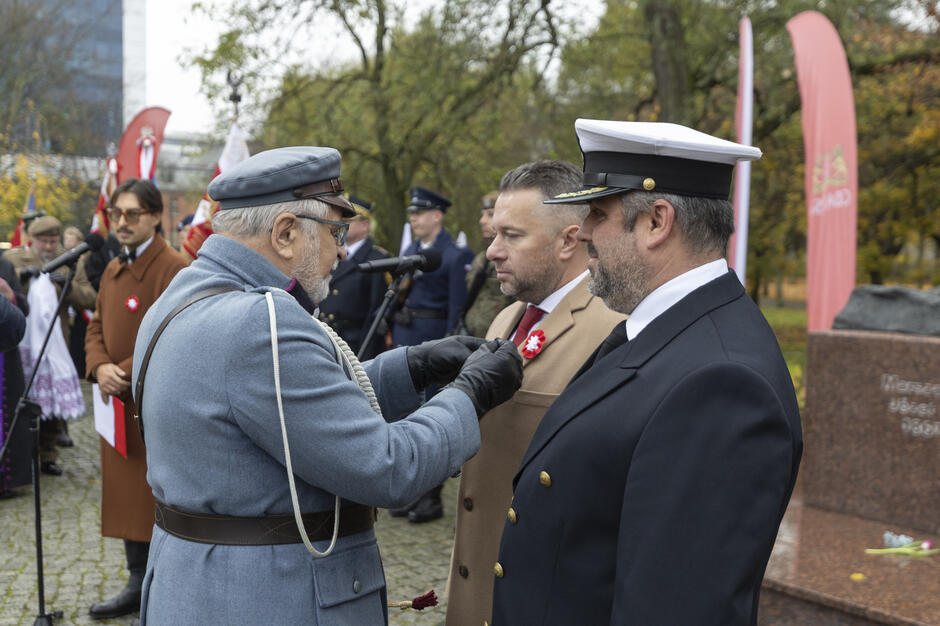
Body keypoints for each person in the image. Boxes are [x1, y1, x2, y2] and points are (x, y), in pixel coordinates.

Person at [131, 146, 523, 625]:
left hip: (200, 586)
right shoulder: (261, 323)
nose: (342, 249)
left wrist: (413, 368)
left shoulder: (184, 296)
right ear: (286, 232)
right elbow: (387, 467)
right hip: (271, 599)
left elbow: (287, 409)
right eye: (335, 231)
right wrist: (469, 394)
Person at [492, 120, 803, 625]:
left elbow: (672, 609)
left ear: (657, 221)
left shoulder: (723, 384)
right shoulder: (662, 330)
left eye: (598, 213)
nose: (584, 232)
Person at [445, 160, 625, 626]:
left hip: (541, 598)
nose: (492, 251)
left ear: (569, 240)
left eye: (512, 236)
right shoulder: (509, 319)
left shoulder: (613, 330)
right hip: (479, 589)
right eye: (494, 234)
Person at [84, 178, 188, 620]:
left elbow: (172, 332)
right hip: (116, 405)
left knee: (155, 495)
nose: (121, 223)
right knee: (127, 495)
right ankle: (136, 580)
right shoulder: (111, 268)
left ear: (155, 217)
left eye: (132, 214)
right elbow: (95, 328)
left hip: (154, 403)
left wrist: (121, 370)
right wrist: (99, 366)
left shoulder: (174, 268)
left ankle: (163, 585)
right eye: (116, 214)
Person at [391, 185, 475, 522]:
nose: (413, 218)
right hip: (406, 338)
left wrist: (450, 350)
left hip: (435, 343)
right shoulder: (410, 250)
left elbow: (457, 307)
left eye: (420, 213)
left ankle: (431, 498)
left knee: (432, 420)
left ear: (437, 216)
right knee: (406, 418)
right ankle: (411, 491)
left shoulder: (454, 256)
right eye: (412, 213)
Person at [3, 216, 97, 474]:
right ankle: (24, 453)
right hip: (22, 343)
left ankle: (48, 453)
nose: (48, 247)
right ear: (31, 240)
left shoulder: (69, 264)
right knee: (23, 398)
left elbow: (89, 298)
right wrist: (23, 277)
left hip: (56, 343)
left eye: (53, 241)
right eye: (43, 241)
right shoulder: (14, 260)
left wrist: (65, 287)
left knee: (52, 401)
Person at [317, 195, 390, 359]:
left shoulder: (378, 259)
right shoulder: (332, 253)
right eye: (341, 220)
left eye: (348, 221)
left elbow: (375, 314)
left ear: (365, 225)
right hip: (328, 339)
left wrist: (367, 355)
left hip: (356, 345)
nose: (343, 224)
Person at [456, 192, 513, 338]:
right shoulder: (481, 257)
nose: (482, 221)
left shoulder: (514, 257)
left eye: (490, 214)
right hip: (471, 334)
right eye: (482, 215)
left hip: (499, 337)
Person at [0, 259, 29, 498]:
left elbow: (23, 311)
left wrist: (11, 296)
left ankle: (6, 481)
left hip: (5, 359)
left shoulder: (7, 266)